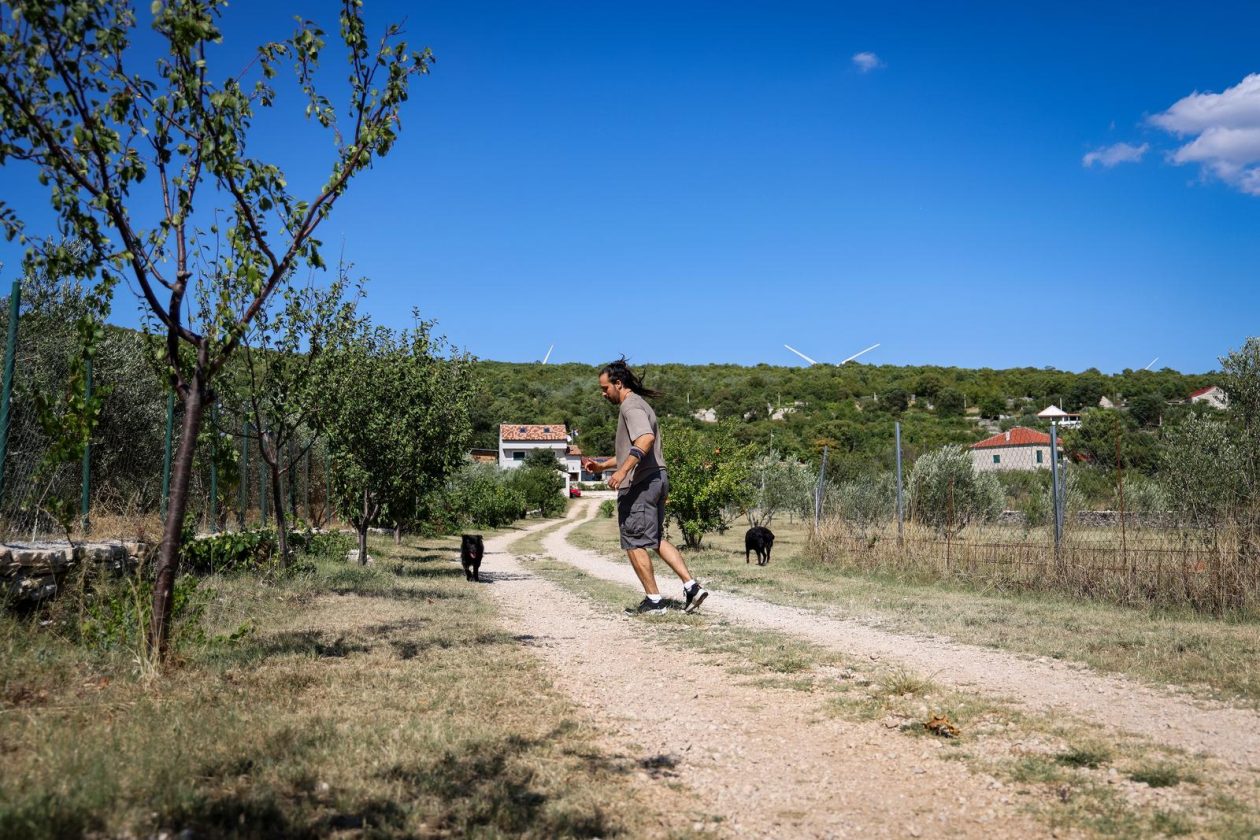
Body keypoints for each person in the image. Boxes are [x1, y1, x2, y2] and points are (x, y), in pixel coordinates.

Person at [582, 358, 709, 615]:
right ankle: (691, 586)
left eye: (605, 388)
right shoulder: (641, 405)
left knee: (633, 541)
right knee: (655, 538)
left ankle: (653, 602)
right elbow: (633, 449)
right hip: (657, 478)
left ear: (618, 384)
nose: (603, 393)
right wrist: (601, 466)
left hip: (641, 483)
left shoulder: (630, 406)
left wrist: (622, 472)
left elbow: (645, 439)